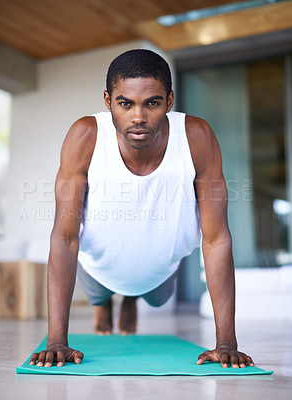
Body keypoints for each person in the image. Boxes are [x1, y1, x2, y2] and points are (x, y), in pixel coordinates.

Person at [29, 49, 254, 369]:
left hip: (159, 272)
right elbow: (64, 238)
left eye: (152, 103)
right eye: (125, 103)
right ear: (107, 101)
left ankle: (130, 298)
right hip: (99, 269)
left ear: (170, 101)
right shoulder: (86, 135)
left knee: (156, 296)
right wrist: (56, 341)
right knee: (99, 293)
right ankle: (106, 302)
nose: (138, 117)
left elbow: (217, 239)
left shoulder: (197, 136)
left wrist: (226, 343)